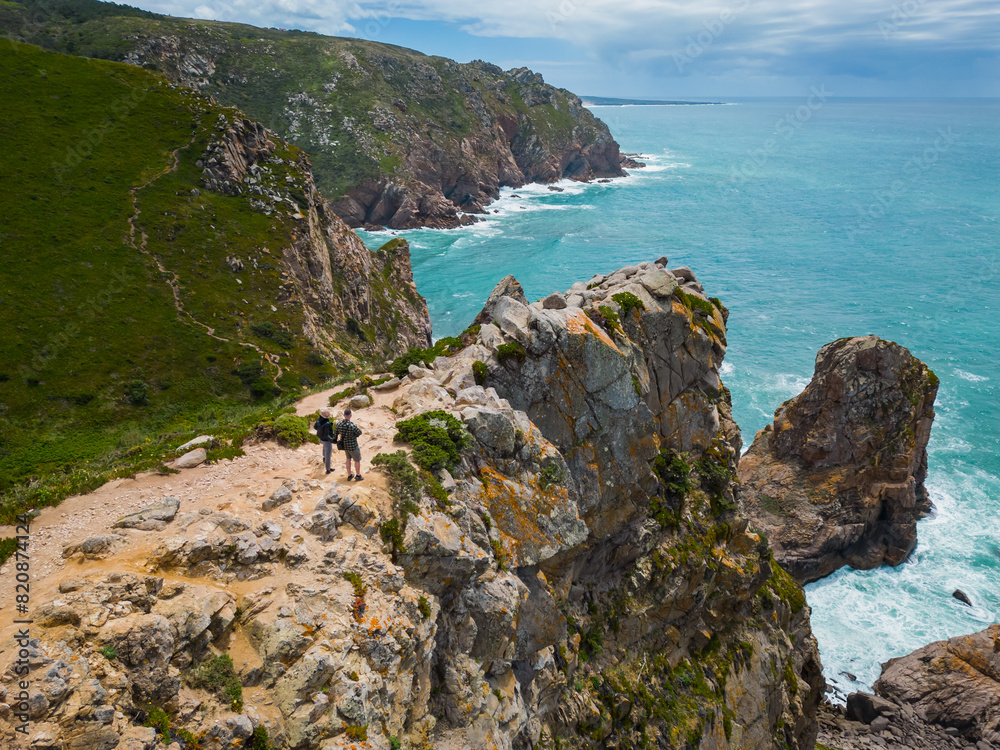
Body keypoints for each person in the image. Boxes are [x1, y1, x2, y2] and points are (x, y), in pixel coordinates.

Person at [335, 408, 364, 481]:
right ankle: (358, 475)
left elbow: (335, 433)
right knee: (357, 460)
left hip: (345, 445)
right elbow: (359, 432)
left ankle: (349, 475)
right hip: (353, 446)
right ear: (351, 415)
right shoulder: (352, 426)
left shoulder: (339, 424)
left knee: (348, 459)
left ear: (344, 415)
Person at [314, 408, 336, 474]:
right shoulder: (327, 424)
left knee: (324, 448)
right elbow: (327, 435)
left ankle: (323, 458)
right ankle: (328, 469)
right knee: (328, 454)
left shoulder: (319, 419)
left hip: (320, 438)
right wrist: (333, 440)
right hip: (326, 440)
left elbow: (315, 427)